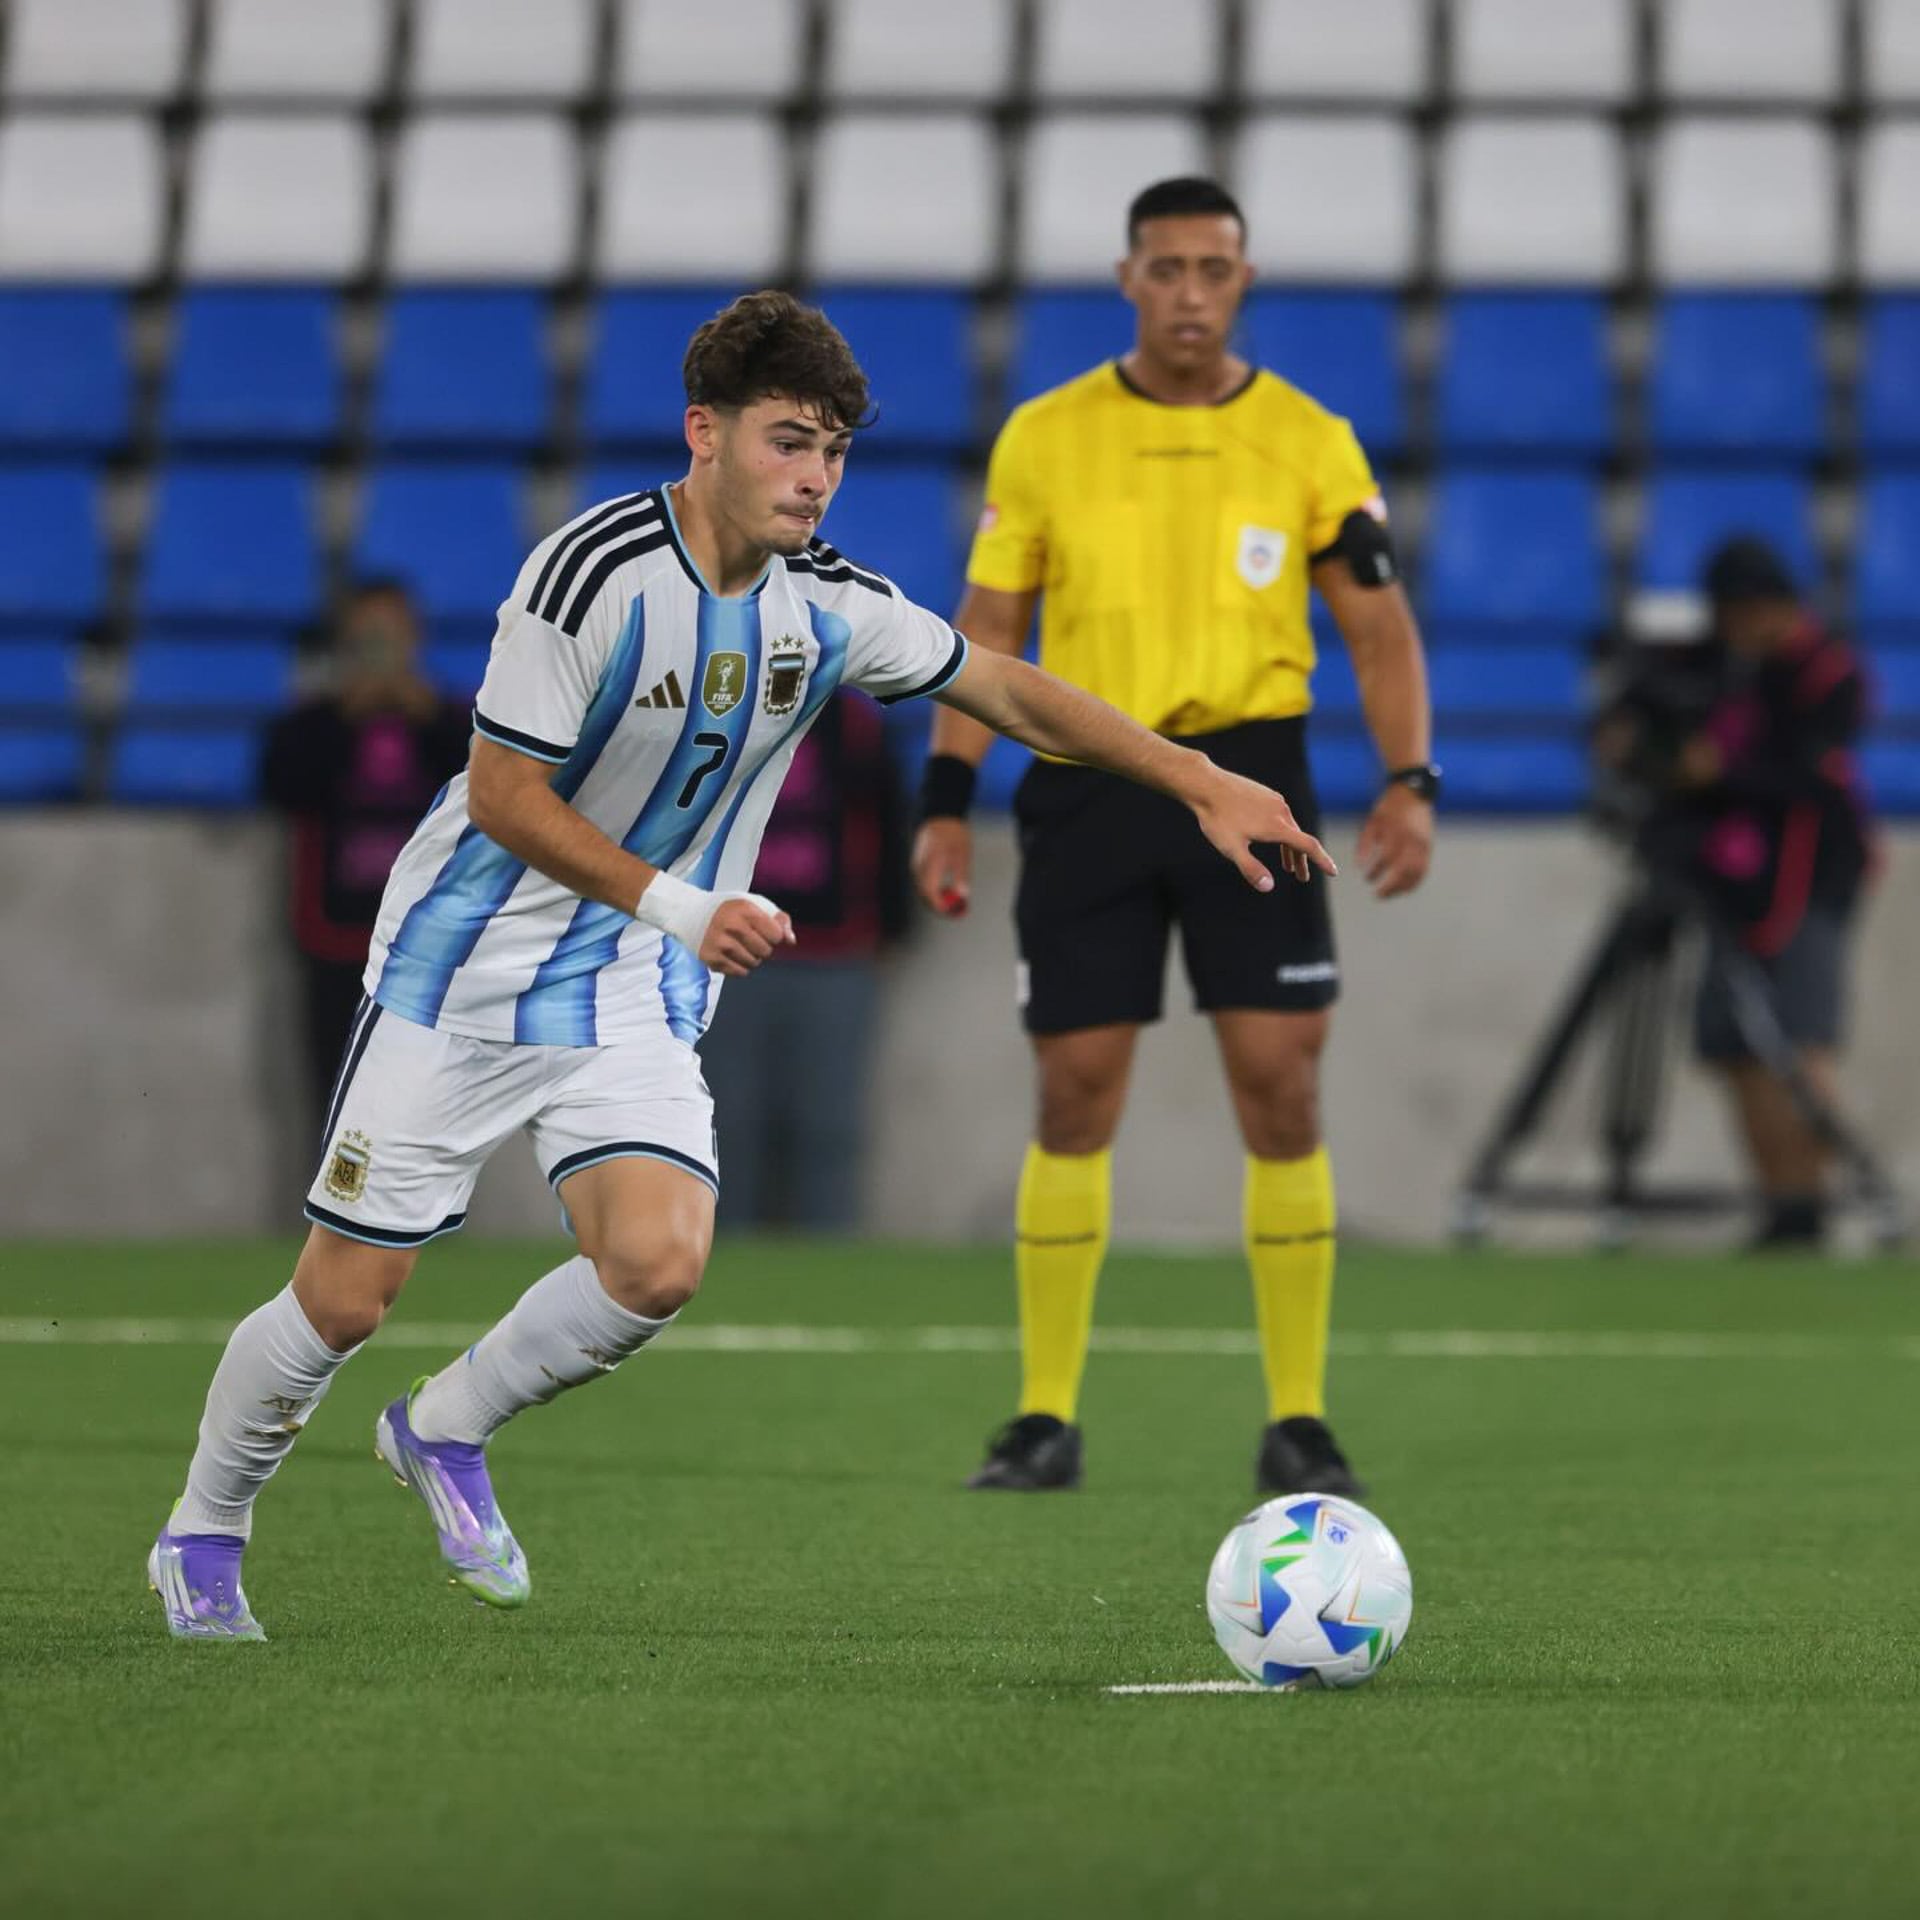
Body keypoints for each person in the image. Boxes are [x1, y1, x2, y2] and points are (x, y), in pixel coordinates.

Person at [147, 290, 1336, 1640]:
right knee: (346, 1301)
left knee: (657, 1263)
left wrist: (1198, 780)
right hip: (462, 973)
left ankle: (444, 1427)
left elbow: (1003, 686)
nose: (816, 477)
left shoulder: (826, 603)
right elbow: (502, 798)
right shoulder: (589, 577)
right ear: (703, 433)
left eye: (833, 450)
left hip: (628, 982)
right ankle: (205, 1528)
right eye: (789, 442)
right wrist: (678, 902)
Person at [911, 178, 1437, 1497]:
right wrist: (944, 799)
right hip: (1089, 780)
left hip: (1254, 780)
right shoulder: (1047, 435)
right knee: (1075, 1093)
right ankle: (1044, 1417)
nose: (1190, 292)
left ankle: (1299, 1418)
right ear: (1128, 279)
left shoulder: (1310, 440)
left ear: (1243, 281)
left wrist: (1410, 779)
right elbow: (989, 634)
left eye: (1214, 268)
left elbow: (1378, 628)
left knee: (1282, 1085)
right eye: (1167, 268)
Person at [1679, 538, 1875, 1249]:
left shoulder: (1827, 673)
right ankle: (1784, 1203)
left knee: (1799, 1044)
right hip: (1735, 882)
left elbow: (1808, 779)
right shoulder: (1735, 671)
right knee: (1736, 1047)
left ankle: (1811, 1201)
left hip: (1809, 883)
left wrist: (1722, 771)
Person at [260, 579, 472, 1134]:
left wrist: (423, 711)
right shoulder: (312, 725)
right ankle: (338, 1193)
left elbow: (490, 790)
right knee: (338, 1100)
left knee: (426, 1109)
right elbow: (280, 784)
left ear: (414, 638)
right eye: (367, 636)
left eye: (390, 634)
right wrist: (348, 713)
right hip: (335, 940)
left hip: (428, 947)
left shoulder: (453, 721)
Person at [696, 688, 912, 1229]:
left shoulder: (854, 721)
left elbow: (887, 820)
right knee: (723, 1122)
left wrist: (889, 925)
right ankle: (714, 1255)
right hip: (727, 956)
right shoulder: (717, 713)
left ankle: (828, 1257)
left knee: (828, 1125)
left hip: (834, 954)